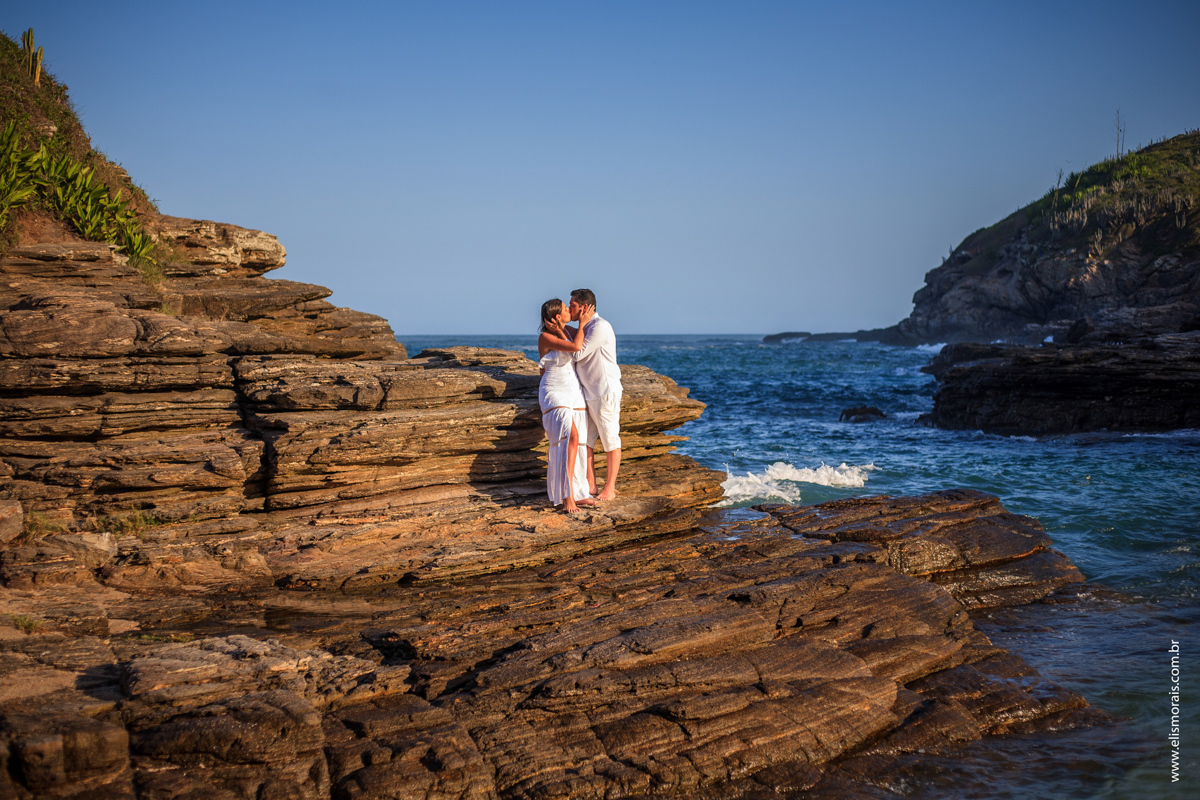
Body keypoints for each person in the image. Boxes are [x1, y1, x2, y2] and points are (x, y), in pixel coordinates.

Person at [537, 298, 596, 514]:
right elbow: (575, 347)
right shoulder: (544, 337)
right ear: (555, 317)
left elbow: (572, 350)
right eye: (564, 309)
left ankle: (577, 492)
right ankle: (566, 496)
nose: (568, 310)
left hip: (572, 390)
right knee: (569, 437)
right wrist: (582, 325)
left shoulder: (565, 332)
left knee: (576, 440)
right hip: (554, 390)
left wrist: (565, 329)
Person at [567, 288, 622, 502]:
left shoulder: (600, 326)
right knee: (586, 441)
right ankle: (591, 484)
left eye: (572, 305)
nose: (569, 309)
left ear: (584, 307)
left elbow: (578, 353)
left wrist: (579, 325)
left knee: (610, 440)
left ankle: (610, 488)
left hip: (604, 392)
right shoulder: (586, 327)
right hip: (588, 394)